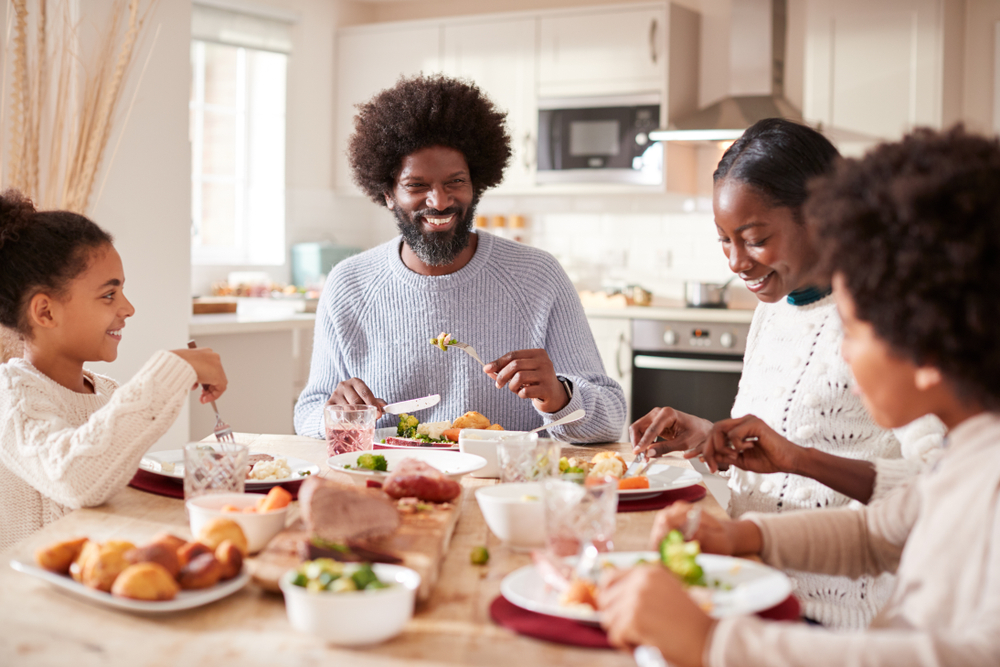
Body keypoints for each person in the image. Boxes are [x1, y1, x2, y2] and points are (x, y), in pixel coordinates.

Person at [597, 125, 1000, 667]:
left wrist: (714, 644)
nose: (845, 352)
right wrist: (743, 537)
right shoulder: (972, 455)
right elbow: (875, 532)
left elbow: (967, 656)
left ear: (924, 352)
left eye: (854, 332)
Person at [293, 75, 626, 443]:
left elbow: (611, 419)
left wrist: (560, 395)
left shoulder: (537, 276)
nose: (439, 201)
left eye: (455, 182)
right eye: (416, 185)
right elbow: (308, 413)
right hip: (394, 485)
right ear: (387, 193)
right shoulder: (349, 284)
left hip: (507, 490)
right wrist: (336, 414)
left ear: (476, 184)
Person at [0, 190, 228, 550]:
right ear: (45, 313)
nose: (128, 308)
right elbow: (75, 477)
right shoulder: (9, 399)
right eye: (109, 294)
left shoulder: (108, 394)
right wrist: (170, 370)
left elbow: (112, 489)